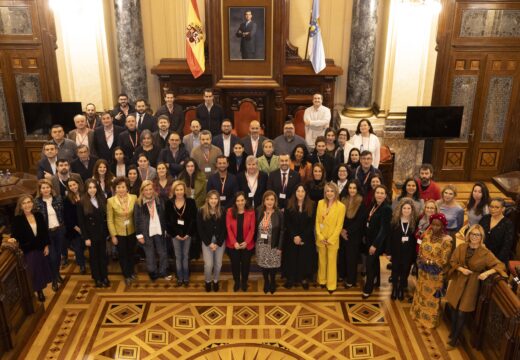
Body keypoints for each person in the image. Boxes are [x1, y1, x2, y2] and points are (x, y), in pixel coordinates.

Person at [445, 224, 506, 350]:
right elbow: (452, 260)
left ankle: (455, 338)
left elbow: (500, 265)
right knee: (454, 308)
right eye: (472, 234)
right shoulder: (462, 247)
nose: (474, 237)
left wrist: (487, 272)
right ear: (468, 235)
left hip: (471, 284)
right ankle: (453, 331)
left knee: (462, 312)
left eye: (477, 235)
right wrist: (461, 268)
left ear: (481, 237)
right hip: (458, 280)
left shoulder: (486, 253)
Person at [410, 213, 453, 328]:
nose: (435, 227)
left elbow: (444, 260)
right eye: (433, 224)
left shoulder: (446, 241)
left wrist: (428, 261)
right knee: (420, 293)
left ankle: (430, 321)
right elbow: (421, 250)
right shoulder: (427, 235)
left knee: (432, 298)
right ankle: (417, 314)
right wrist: (422, 259)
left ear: (443, 226)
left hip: (435, 275)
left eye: (438, 225)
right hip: (423, 272)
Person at [10, 195, 52, 302]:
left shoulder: (38, 215)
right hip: (28, 250)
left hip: (40, 248)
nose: (27, 205)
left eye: (29, 202)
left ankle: (40, 291)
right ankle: (34, 291)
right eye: (24, 203)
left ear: (32, 203)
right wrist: (12, 239)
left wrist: (46, 245)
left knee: (40, 270)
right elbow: (14, 235)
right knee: (32, 272)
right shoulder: (17, 219)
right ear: (20, 206)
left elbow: (44, 232)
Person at [134, 180, 170, 281]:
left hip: (159, 230)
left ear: (153, 189)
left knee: (162, 252)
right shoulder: (138, 203)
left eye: (150, 189)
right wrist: (139, 235)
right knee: (149, 254)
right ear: (142, 191)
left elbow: (164, 215)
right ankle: (152, 272)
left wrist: (165, 229)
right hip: (146, 232)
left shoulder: (159, 200)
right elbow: (136, 220)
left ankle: (163, 271)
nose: (149, 192)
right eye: (146, 190)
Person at [77, 179, 110, 288]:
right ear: (86, 189)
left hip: (101, 233)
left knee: (103, 256)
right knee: (93, 257)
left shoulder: (102, 198)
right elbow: (81, 222)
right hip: (90, 235)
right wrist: (86, 238)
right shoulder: (81, 202)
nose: (92, 190)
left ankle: (104, 276)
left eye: (94, 187)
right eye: (90, 187)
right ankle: (97, 278)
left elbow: (105, 218)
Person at [165, 180, 197, 287]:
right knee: (178, 256)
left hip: (187, 234)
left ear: (184, 190)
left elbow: (194, 219)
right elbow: (167, 221)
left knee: (185, 256)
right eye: (177, 190)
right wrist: (175, 234)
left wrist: (188, 233)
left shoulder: (191, 202)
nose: (179, 192)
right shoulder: (169, 203)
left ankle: (186, 277)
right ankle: (180, 277)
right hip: (175, 235)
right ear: (174, 191)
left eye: (181, 189)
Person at [315, 182, 346, 294]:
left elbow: (339, 226)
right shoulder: (320, 203)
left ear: (336, 192)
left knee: (332, 262)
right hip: (321, 237)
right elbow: (318, 222)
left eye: (332, 191)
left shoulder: (341, 207)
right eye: (327, 191)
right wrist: (320, 235)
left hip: (333, 239)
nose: (329, 193)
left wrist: (331, 239)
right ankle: (322, 280)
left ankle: (331, 285)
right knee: (322, 261)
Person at [35, 179, 65, 292]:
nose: (46, 190)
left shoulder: (58, 199)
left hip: (59, 230)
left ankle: (57, 274)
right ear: (40, 190)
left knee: (58, 255)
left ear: (51, 188)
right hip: (46, 233)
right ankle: (54, 280)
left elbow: (62, 213)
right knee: (52, 257)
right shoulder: (37, 202)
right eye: (43, 188)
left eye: (47, 187)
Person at [362, 185, 392, 299]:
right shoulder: (374, 205)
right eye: (377, 192)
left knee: (369, 264)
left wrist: (374, 245)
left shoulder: (386, 208)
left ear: (385, 195)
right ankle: (376, 282)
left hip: (377, 242)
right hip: (370, 239)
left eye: (382, 193)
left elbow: (384, 229)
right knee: (374, 263)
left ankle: (368, 288)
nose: (379, 195)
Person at [107, 177, 138, 285]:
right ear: (115, 189)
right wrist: (113, 235)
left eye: (123, 187)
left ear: (127, 188)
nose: (121, 189)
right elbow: (110, 220)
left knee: (131, 252)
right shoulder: (110, 201)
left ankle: (131, 271)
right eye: (118, 187)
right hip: (119, 233)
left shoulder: (134, 198)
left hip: (132, 230)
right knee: (123, 254)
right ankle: (126, 274)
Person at [284, 185, 316, 289]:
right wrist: (294, 236)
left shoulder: (312, 205)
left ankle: (303, 278)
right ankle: (291, 278)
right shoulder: (288, 204)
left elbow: (311, 224)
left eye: (303, 191)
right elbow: (287, 222)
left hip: (306, 237)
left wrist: (302, 237)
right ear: (295, 192)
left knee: (304, 258)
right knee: (292, 258)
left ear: (306, 192)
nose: (300, 193)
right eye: (298, 191)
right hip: (291, 237)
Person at [387, 198, 418, 301]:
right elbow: (389, 238)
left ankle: (400, 289)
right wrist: (388, 252)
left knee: (405, 271)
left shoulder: (414, 222)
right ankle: (394, 288)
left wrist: (414, 255)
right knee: (395, 271)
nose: (406, 210)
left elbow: (415, 240)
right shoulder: (394, 221)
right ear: (400, 209)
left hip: (408, 252)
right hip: (396, 251)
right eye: (404, 208)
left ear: (412, 210)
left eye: (408, 208)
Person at [226, 192, 256, 292]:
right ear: (235, 202)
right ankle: (237, 282)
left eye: (242, 200)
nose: (240, 203)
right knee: (235, 264)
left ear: (245, 201)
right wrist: (234, 242)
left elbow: (252, 229)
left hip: (247, 245)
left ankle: (244, 282)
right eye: (238, 201)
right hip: (233, 244)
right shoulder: (230, 211)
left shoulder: (251, 212)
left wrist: (246, 242)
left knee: (245, 265)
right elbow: (228, 228)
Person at [256, 191, 284, 294]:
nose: (269, 202)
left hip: (274, 245)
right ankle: (266, 281)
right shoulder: (259, 211)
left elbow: (282, 231)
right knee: (264, 265)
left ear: (275, 201)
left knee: (273, 266)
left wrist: (280, 247)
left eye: (272, 199)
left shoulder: (279, 213)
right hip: (261, 244)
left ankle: (272, 281)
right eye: (267, 199)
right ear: (264, 201)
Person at [197, 191, 226, 292]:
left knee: (218, 264)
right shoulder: (201, 211)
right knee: (208, 264)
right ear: (207, 199)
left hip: (219, 242)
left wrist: (218, 243)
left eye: (215, 198)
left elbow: (224, 229)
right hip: (207, 242)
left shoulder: (222, 210)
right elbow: (200, 229)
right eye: (211, 198)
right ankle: (208, 281)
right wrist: (209, 243)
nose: (213, 201)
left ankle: (216, 280)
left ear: (218, 200)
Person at [340, 180, 367, 288]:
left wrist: (347, 231)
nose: (352, 190)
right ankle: (343, 275)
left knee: (352, 258)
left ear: (357, 189)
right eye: (350, 188)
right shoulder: (343, 199)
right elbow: (339, 217)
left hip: (354, 235)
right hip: (342, 232)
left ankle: (351, 280)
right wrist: (341, 230)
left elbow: (360, 222)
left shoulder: (361, 202)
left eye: (354, 188)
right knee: (342, 256)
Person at [479, 197, 515, 266]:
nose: (493, 209)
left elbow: (506, 246)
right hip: (482, 254)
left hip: (498, 259)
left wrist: (495, 261)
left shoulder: (508, 224)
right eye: (491, 207)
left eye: (497, 207)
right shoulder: (485, 218)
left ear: (503, 209)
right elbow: (478, 234)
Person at [63, 178, 86, 274]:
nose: (73, 187)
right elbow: (67, 217)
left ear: (78, 184)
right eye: (70, 186)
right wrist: (77, 228)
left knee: (86, 245)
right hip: (74, 228)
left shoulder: (85, 195)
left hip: (86, 226)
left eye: (74, 184)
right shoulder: (67, 199)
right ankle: (82, 265)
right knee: (78, 248)